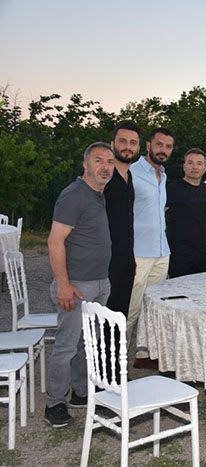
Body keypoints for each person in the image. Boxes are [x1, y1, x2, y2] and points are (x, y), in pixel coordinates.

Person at [45, 142, 114, 428]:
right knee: (66, 346)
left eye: (109, 162)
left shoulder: (97, 194)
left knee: (87, 344)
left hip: (99, 282)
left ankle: (81, 393)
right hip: (75, 285)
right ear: (85, 164)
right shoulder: (74, 194)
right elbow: (54, 240)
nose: (105, 167)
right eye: (98, 161)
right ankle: (54, 403)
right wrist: (63, 284)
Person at [128, 127, 174, 369]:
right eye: (159, 145)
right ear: (148, 146)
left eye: (168, 147)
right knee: (130, 310)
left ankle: (145, 354)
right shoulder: (132, 172)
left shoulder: (163, 176)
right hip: (138, 253)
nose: (163, 150)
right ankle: (116, 366)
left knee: (152, 310)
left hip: (161, 252)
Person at [103, 121, 139, 379]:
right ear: (113, 143)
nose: (128, 147)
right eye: (123, 141)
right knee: (103, 322)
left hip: (126, 261)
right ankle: (101, 378)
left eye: (133, 143)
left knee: (119, 319)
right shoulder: (104, 176)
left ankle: (114, 373)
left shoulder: (129, 177)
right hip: (105, 262)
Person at [166, 148, 206, 278]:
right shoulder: (171, 189)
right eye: (190, 163)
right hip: (177, 255)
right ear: (184, 166)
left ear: (205, 168)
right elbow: (157, 216)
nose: (194, 167)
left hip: (201, 255)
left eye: (199, 163)